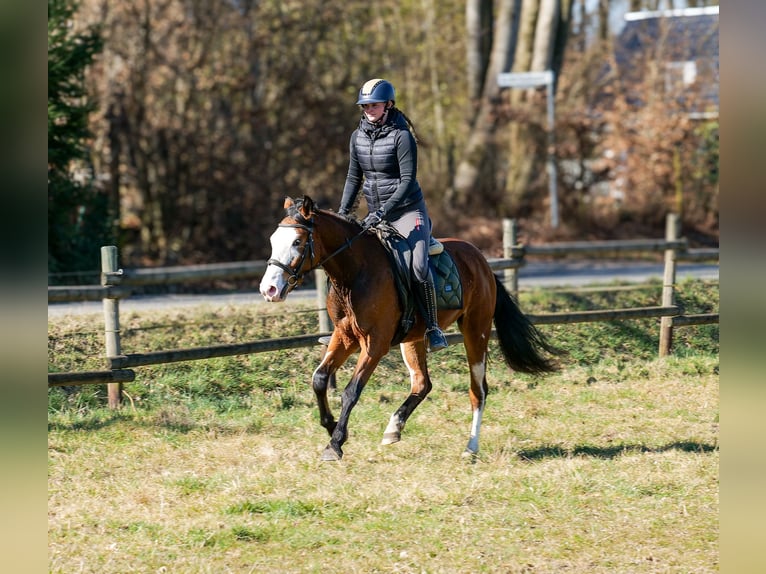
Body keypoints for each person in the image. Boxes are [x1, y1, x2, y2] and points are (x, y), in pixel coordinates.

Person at [337, 78, 448, 352]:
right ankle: (344, 326)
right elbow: (354, 178)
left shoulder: (402, 137)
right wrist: (342, 213)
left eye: (373, 105)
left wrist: (383, 212)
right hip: (376, 213)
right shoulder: (357, 137)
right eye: (365, 106)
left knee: (419, 265)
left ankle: (433, 327)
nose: (368, 110)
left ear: (388, 105)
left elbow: (407, 180)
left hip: (408, 212)